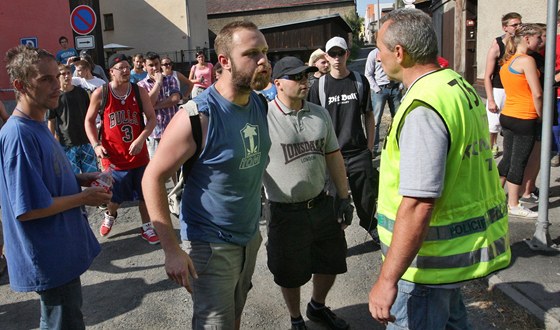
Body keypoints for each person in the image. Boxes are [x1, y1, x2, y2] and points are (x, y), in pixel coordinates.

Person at [368, 9, 511, 329]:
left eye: (379, 48)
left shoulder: (424, 106)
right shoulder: (455, 84)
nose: (377, 57)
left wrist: (386, 280)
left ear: (399, 53)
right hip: (448, 259)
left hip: (423, 269)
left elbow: (419, 203)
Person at [142, 21, 271, 329]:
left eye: (265, 52)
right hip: (211, 245)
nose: (264, 61)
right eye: (252, 53)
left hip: (249, 236)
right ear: (224, 62)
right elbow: (152, 177)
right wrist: (171, 250)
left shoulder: (258, 103)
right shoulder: (197, 116)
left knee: (235, 314)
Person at [1, 45, 111, 329]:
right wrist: (83, 197)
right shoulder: (19, 135)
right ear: (19, 85)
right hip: (49, 257)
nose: (58, 85)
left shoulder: (36, 125)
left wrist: (78, 179)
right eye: (45, 80)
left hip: (60, 253)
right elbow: (29, 209)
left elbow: (41, 180)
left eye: (57, 76)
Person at [263, 56, 351, 330]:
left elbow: (334, 156)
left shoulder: (319, 113)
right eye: (297, 77)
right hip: (284, 210)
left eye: (306, 76)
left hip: (321, 203)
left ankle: (317, 306)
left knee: (331, 260)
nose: (305, 81)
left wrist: (344, 196)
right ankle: (295, 317)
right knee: (290, 273)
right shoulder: (263, 117)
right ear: (277, 83)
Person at [308, 36, 379, 243]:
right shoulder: (319, 87)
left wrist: (369, 147)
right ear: (326, 57)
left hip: (357, 152)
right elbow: (312, 120)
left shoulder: (359, 81)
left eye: (341, 53)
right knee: (332, 200)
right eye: (333, 54)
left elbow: (369, 115)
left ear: (347, 54)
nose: (337, 58)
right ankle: (334, 235)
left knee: (365, 198)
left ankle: (369, 225)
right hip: (330, 154)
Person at [84, 53, 159, 243]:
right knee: (114, 197)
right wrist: (96, 145)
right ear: (111, 72)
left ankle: (147, 226)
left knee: (145, 194)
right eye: (121, 68)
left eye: (128, 67)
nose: (126, 70)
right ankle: (110, 215)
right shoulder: (102, 93)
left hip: (138, 155)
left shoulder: (138, 91)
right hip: (114, 157)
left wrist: (142, 138)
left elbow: (151, 118)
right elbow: (89, 121)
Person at [498, 23, 543, 218]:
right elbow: (537, 93)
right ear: (527, 39)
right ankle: (513, 204)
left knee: (507, 158)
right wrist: (542, 116)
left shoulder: (508, 61)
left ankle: (495, 195)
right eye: (538, 38)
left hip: (508, 115)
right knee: (518, 161)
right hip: (524, 116)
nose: (540, 42)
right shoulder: (526, 61)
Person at [483, 12, 522, 157]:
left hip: (515, 88)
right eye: (514, 25)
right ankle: (491, 146)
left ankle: (510, 148)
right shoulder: (497, 45)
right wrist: (491, 99)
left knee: (511, 123)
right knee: (493, 125)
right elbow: (487, 76)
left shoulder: (521, 43)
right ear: (505, 28)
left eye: (520, 24)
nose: (518, 27)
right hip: (499, 89)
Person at [48, 64, 98, 174]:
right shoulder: (54, 96)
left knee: (93, 175)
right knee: (72, 177)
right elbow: (51, 121)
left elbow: (90, 116)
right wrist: (52, 143)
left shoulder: (82, 92)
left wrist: (95, 137)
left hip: (86, 141)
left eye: (68, 73)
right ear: (58, 77)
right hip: (67, 144)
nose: (66, 76)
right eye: (63, 74)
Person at [137, 52, 182, 159]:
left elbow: (175, 99)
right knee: (156, 164)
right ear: (145, 67)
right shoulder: (141, 85)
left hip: (172, 130)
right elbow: (148, 103)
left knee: (174, 165)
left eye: (156, 64)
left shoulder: (171, 79)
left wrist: (155, 107)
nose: (155, 68)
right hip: (154, 133)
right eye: (151, 65)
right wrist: (158, 83)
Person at [364, 47, 402, 157]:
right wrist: (376, 89)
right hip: (380, 89)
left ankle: (399, 145)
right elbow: (368, 74)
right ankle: (374, 148)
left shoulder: (395, 51)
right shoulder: (373, 54)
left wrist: (401, 84)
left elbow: (402, 67)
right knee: (375, 121)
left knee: (398, 118)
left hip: (395, 88)